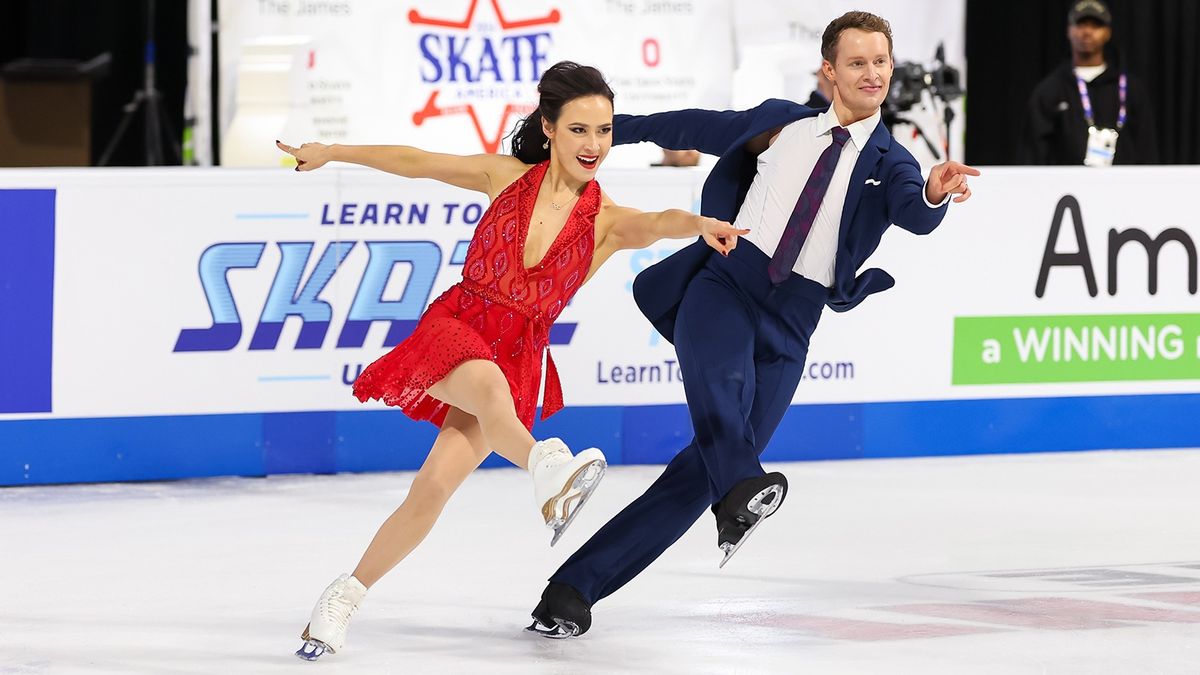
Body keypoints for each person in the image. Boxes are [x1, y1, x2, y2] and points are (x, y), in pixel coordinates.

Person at [526, 12, 980, 638]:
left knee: (700, 472)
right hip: (727, 283)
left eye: (880, 61)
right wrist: (609, 132)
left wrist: (935, 192)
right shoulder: (782, 126)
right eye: (857, 62)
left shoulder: (893, 160)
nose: (871, 73)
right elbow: (689, 125)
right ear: (830, 72)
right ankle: (742, 490)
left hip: (795, 323)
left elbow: (916, 212)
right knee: (720, 404)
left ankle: (572, 590)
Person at [275, 61, 747, 659]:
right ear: (549, 127)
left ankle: (342, 596)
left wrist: (700, 224)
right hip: (459, 324)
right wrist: (334, 150)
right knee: (493, 396)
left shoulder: (606, 222)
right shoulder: (504, 177)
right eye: (579, 129)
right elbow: (417, 160)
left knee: (432, 488)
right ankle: (548, 466)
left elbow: (660, 222)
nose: (594, 144)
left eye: (604, 131)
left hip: (521, 349)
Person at [1021, 0, 1158, 165]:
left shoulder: (1131, 89)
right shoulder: (1050, 90)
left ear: (1107, 32)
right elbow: (1034, 152)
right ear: (1069, 31)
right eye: (1080, 25)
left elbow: (1146, 147)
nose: (1087, 32)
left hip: (1123, 186)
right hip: (1067, 187)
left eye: (1095, 26)